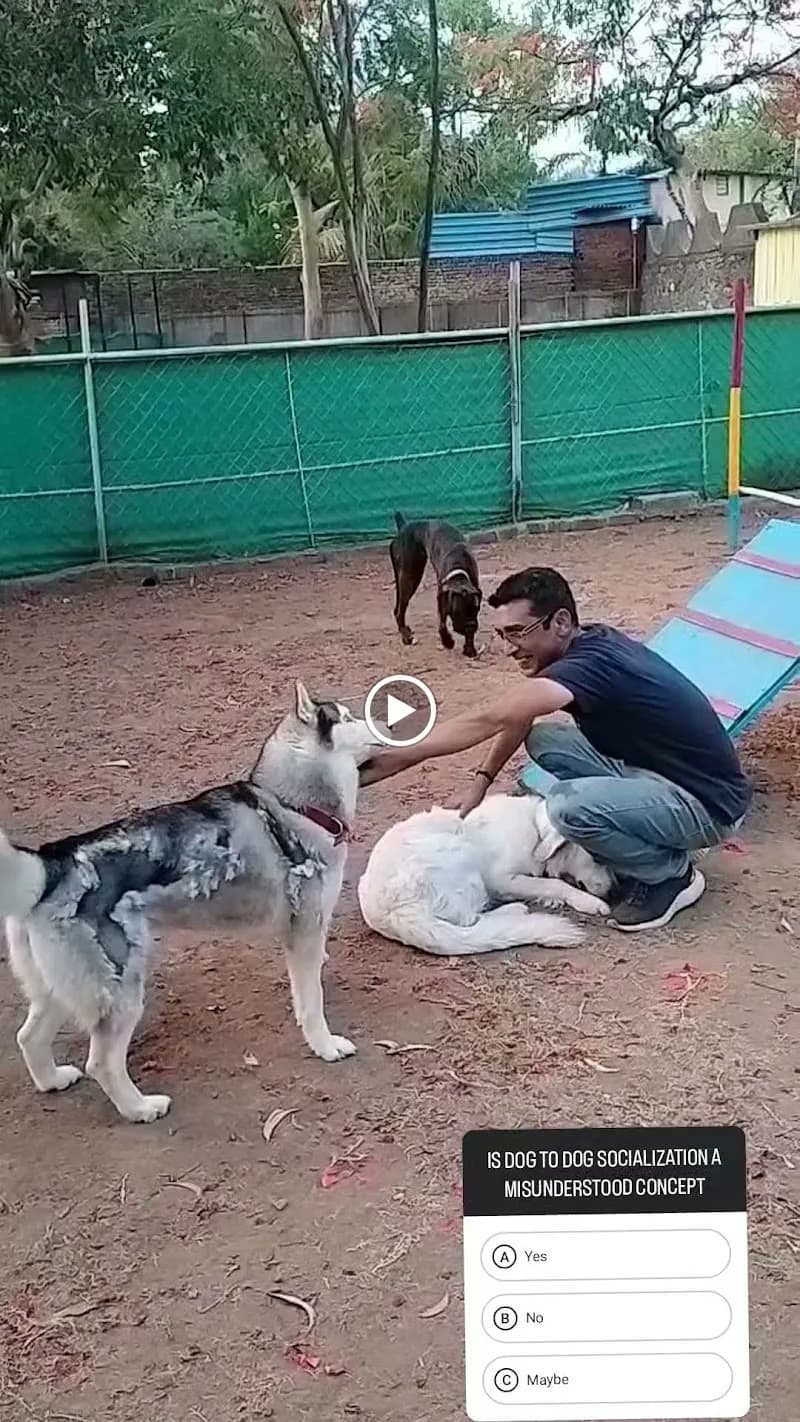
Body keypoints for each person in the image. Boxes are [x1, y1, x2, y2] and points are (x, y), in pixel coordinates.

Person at [360, 567, 750, 932]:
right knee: (544, 739)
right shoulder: (589, 642)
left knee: (565, 807)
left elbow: (489, 718)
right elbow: (519, 716)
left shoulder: (587, 668)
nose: (509, 648)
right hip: (659, 772)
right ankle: (635, 824)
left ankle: (669, 873)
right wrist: (483, 779)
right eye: (502, 635)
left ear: (561, 622)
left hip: (707, 805)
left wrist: (395, 758)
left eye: (518, 632)